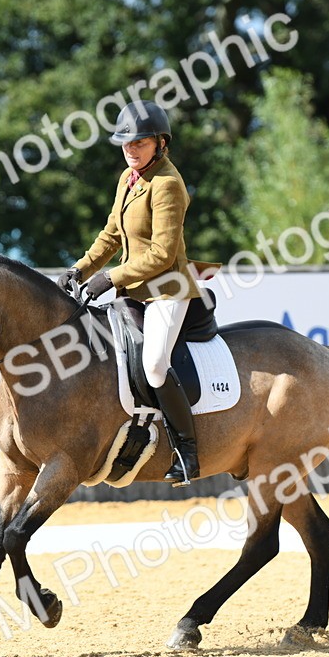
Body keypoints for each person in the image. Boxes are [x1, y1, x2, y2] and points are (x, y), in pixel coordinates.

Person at [56, 101, 212, 486]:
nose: (131, 149)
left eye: (139, 143)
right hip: (133, 290)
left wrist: (110, 279)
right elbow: (111, 234)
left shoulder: (168, 184)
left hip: (167, 290)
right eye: (125, 143)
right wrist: (80, 268)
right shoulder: (129, 177)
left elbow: (161, 254)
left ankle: (187, 452)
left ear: (160, 142)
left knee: (155, 365)